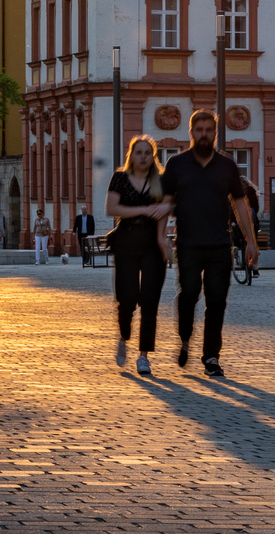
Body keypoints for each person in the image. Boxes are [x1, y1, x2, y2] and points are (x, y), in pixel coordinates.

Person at [161, 110, 258, 378]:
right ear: (191, 132)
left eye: (208, 130)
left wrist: (251, 241)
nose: (203, 135)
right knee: (189, 294)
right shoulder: (176, 164)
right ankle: (184, 338)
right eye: (199, 130)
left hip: (219, 244)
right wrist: (161, 237)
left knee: (216, 302)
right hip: (188, 244)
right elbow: (166, 203)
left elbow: (240, 203)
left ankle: (211, 357)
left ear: (215, 133)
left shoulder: (227, 166)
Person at [106, 135, 172, 376]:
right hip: (126, 241)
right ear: (131, 156)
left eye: (147, 152)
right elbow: (111, 208)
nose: (143, 157)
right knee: (127, 298)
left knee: (150, 301)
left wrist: (161, 238)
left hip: (152, 244)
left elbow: (166, 210)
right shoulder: (120, 178)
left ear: (152, 156)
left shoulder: (161, 180)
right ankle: (124, 337)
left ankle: (144, 356)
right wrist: (144, 209)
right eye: (139, 152)